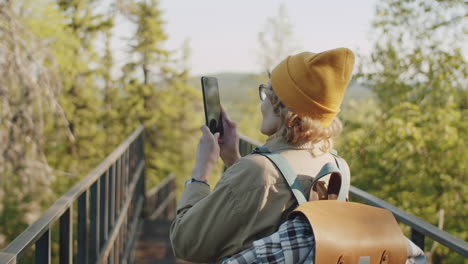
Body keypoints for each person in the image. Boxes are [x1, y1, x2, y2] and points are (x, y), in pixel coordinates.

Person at [170, 48, 354, 263]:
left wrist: (200, 172)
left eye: (267, 94)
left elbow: (185, 242)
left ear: (283, 107)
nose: (263, 103)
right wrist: (232, 158)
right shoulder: (337, 167)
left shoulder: (257, 170)